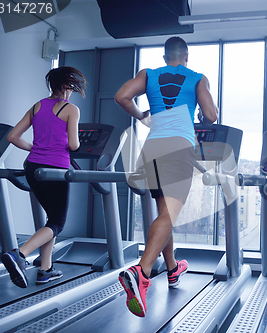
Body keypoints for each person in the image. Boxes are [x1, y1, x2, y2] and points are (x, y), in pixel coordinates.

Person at [115, 36, 218, 318]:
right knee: (170, 215)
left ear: (165, 57)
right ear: (186, 56)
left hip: (153, 147)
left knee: (163, 212)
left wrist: (141, 116)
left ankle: (172, 269)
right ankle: (142, 272)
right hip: (179, 146)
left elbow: (121, 96)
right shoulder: (197, 78)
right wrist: (205, 113)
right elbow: (211, 114)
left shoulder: (149, 74)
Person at [2, 66, 86, 288]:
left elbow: (12, 136)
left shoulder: (37, 106)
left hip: (33, 168)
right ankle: (19, 254)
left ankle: (45, 269)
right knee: (58, 222)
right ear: (67, 86)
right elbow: (75, 145)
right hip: (55, 170)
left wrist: (34, 148)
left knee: (51, 219)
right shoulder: (71, 109)